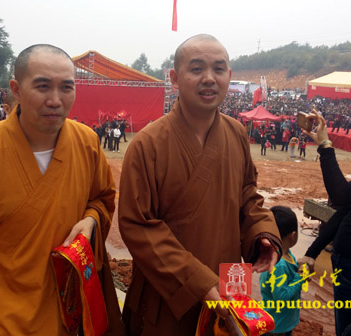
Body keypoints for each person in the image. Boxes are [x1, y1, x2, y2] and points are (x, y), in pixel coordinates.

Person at [0, 44, 123, 335]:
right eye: (43, 86)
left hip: (65, 311)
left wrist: (90, 220)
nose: (55, 100)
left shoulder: (86, 143)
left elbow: (102, 199)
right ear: (16, 89)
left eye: (66, 88)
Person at [118, 34, 282, 335]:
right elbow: (138, 226)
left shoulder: (235, 133)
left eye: (219, 69)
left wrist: (261, 232)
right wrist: (199, 282)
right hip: (170, 290)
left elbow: (247, 194)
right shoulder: (148, 144)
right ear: (175, 78)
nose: (209, 78)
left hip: (230, 282)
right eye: (196, 69)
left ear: (229, 77)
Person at [298, 92, 351, 335]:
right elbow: (345, 211)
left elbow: (341, 196)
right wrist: (313, 252)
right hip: (348, 267)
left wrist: (326, 147)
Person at [260, 206, 304, 336]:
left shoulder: (285, 255)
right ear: (293, 235)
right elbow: (281, 297)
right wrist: (300, 278)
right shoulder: (280, 265)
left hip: (280, 321)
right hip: (276, 327)